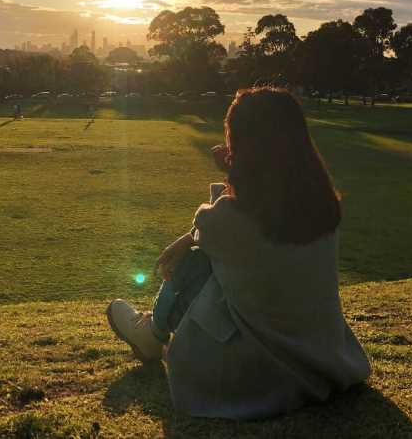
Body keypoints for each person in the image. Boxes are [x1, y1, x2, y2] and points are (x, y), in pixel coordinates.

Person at [106, 87, 370, 420]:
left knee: (200, 260)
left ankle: (152, 334)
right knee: (212, 253)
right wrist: (201, 225)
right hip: (324, 358)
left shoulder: (234, 218)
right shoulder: (324, 206)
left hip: (259, 371)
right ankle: (153, 331)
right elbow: (233, 223)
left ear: (242, 149)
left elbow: (209, 222)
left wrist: (194, 232)